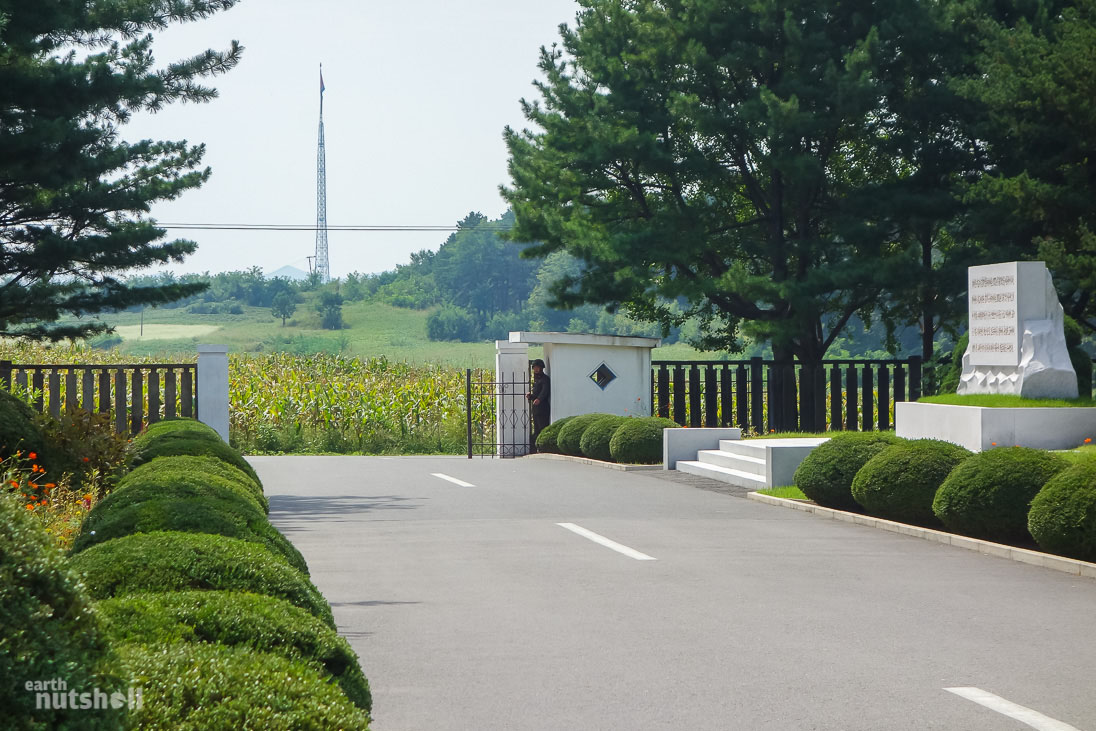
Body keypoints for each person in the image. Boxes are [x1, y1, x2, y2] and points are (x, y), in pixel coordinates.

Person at [527, 358, 550, 450]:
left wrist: (539, 399)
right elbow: (536, 394)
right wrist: (531, 396)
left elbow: (545, 391)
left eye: (537, 368)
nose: (536, 370)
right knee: (536, 428)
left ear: (541, 368)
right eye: (534, 368)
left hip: (542, 407)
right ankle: (535, 447)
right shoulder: (536, 381)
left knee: (542, 427)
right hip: (536, 408)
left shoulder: (545, 379)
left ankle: (543, 446)